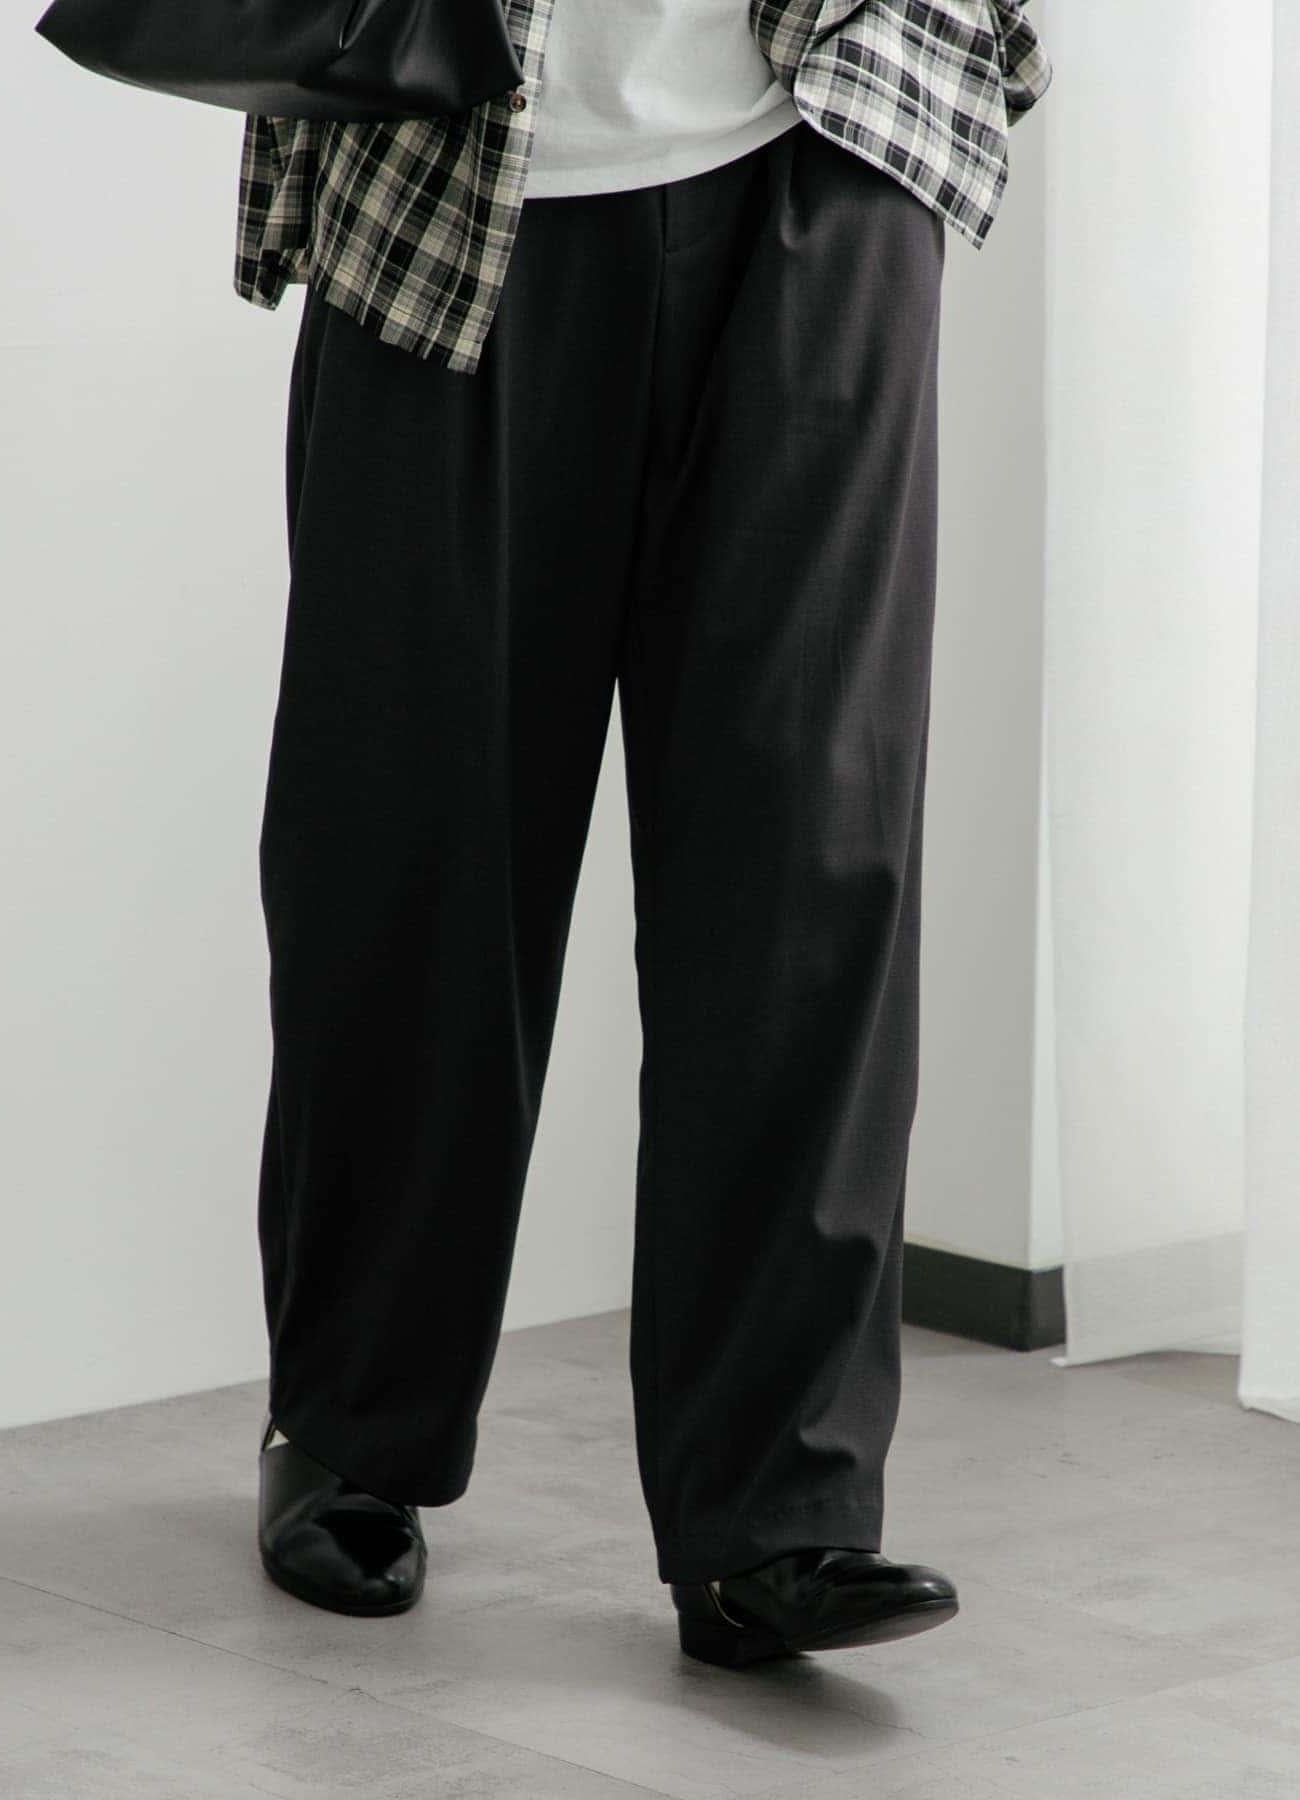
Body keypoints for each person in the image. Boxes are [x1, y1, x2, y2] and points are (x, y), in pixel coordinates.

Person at [240, 0, 1052, 1668]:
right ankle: (350, 1424)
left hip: (831, 140)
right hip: (447, 169)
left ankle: (780, 1507)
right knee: (406, 836)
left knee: (810, 853)